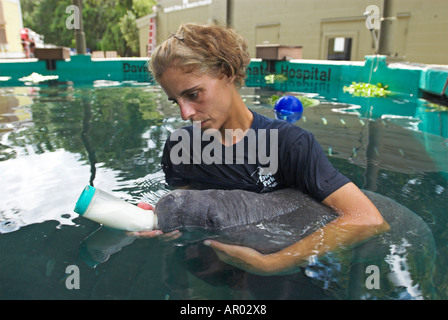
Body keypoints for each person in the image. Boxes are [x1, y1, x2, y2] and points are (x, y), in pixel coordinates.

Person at [135, 23, 390, 276]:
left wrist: (274, 264)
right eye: (175, 100)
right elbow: (189, 210)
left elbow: (367, 219)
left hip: (284, 271)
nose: (185, 113)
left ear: (226, 72)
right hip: (211, 264)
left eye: (193, 94)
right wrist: (158, 220)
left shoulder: (288, 143)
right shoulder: (181, 145)